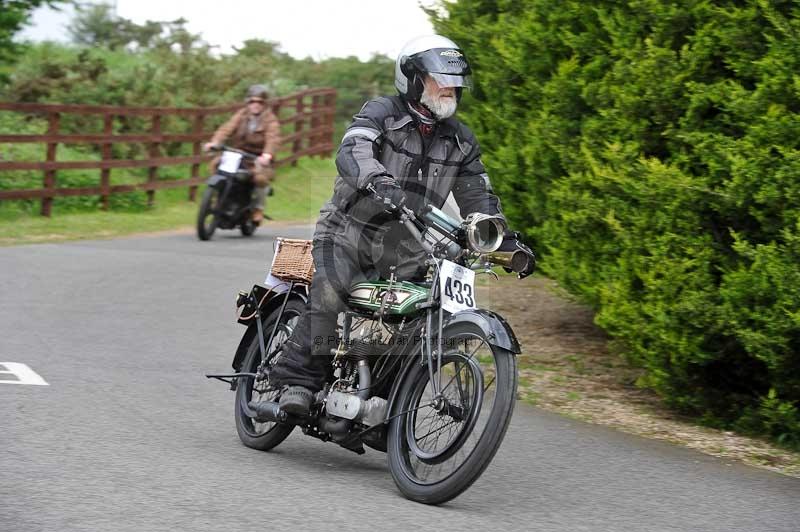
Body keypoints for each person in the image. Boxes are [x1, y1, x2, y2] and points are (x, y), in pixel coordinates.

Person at [269, 35, 534, 414]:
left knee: (423, 315)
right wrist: (378, 181)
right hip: (348, 230)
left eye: (454, 83)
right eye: (439, 80)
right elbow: (354, 148)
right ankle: (297, 381)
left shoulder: (460, 139)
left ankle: (385, 399)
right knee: (331, 292)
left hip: (409, 244)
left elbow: (479, 196)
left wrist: (501, 240)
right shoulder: (382, 112)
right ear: (412, 79)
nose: (450, 89)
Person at [204, 84, 280, 224]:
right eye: (252, 101)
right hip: (237, 154)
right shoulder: (241, 115)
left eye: (259, 102)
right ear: (248, 102)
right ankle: (215, 200)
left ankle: (258, 209)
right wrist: (214, 142)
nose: (255, 105)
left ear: (264, 104)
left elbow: (272, 138)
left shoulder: (270, 120)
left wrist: (267, 155)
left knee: (260, 178)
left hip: (258, 158)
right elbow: (226, 129)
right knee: (216, 164)